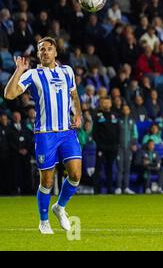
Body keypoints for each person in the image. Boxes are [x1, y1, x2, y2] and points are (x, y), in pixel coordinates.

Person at [4, 36, 82, 234]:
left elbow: (74, 95)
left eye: (48, 48)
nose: (45, 52)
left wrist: (78, 114)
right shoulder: (33, 74)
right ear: (38, 54)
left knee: (75, 175)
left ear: (56, 52)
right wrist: (18, 71)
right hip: (45, 134)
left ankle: (60, 207)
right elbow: (9, 94)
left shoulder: (67, 71)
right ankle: (44, 220)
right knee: (46, 181)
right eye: (41, 49)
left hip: (67, 132)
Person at [92, 96, 120, 194]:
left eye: (108, 102)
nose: (106, 104)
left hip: (112, 147)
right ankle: (96, 190)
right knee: (98, 168)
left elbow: (118, 131)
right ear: (101, 104)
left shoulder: (115, 115)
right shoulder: (98, 116)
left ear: (111, 104)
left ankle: (110, 189)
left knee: (110, 168)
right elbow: (94, 133)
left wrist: (117, 145)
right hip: (101, 147)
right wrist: (100, 144)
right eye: (104, 103)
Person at [115, 104, 138, 195]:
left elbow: (135, 134)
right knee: (120, 168)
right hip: (120, 148)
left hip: (128, 148)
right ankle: (118, 187)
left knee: (127, 169)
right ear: (122, 110)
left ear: (129, 110)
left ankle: (126, 187)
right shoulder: (118, 121)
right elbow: (115, 134)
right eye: (124, 109)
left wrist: (133, 144)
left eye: (127, 109)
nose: (125, 110)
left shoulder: (132, 121)